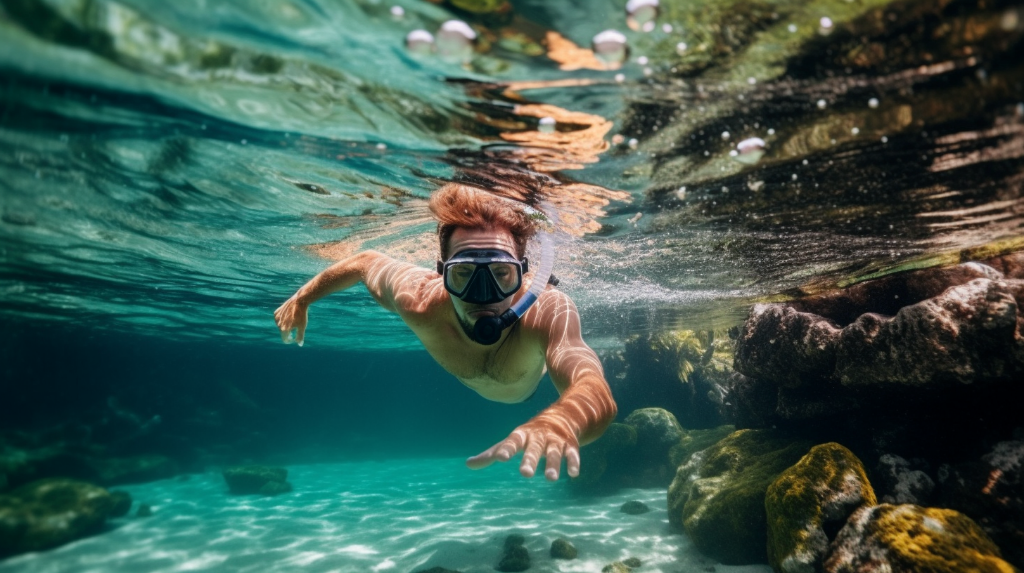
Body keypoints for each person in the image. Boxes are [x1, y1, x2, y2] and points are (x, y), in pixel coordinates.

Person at [274, 183, 617, 481]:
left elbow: (591, 384)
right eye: (463, 273)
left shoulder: (546, 311)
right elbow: (365, 262)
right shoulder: (418, 301)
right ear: (441, 274)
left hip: (527, 392)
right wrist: (303, 298)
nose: (482, 295)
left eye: (501, 273)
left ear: (523, 274)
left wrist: (562, 422)